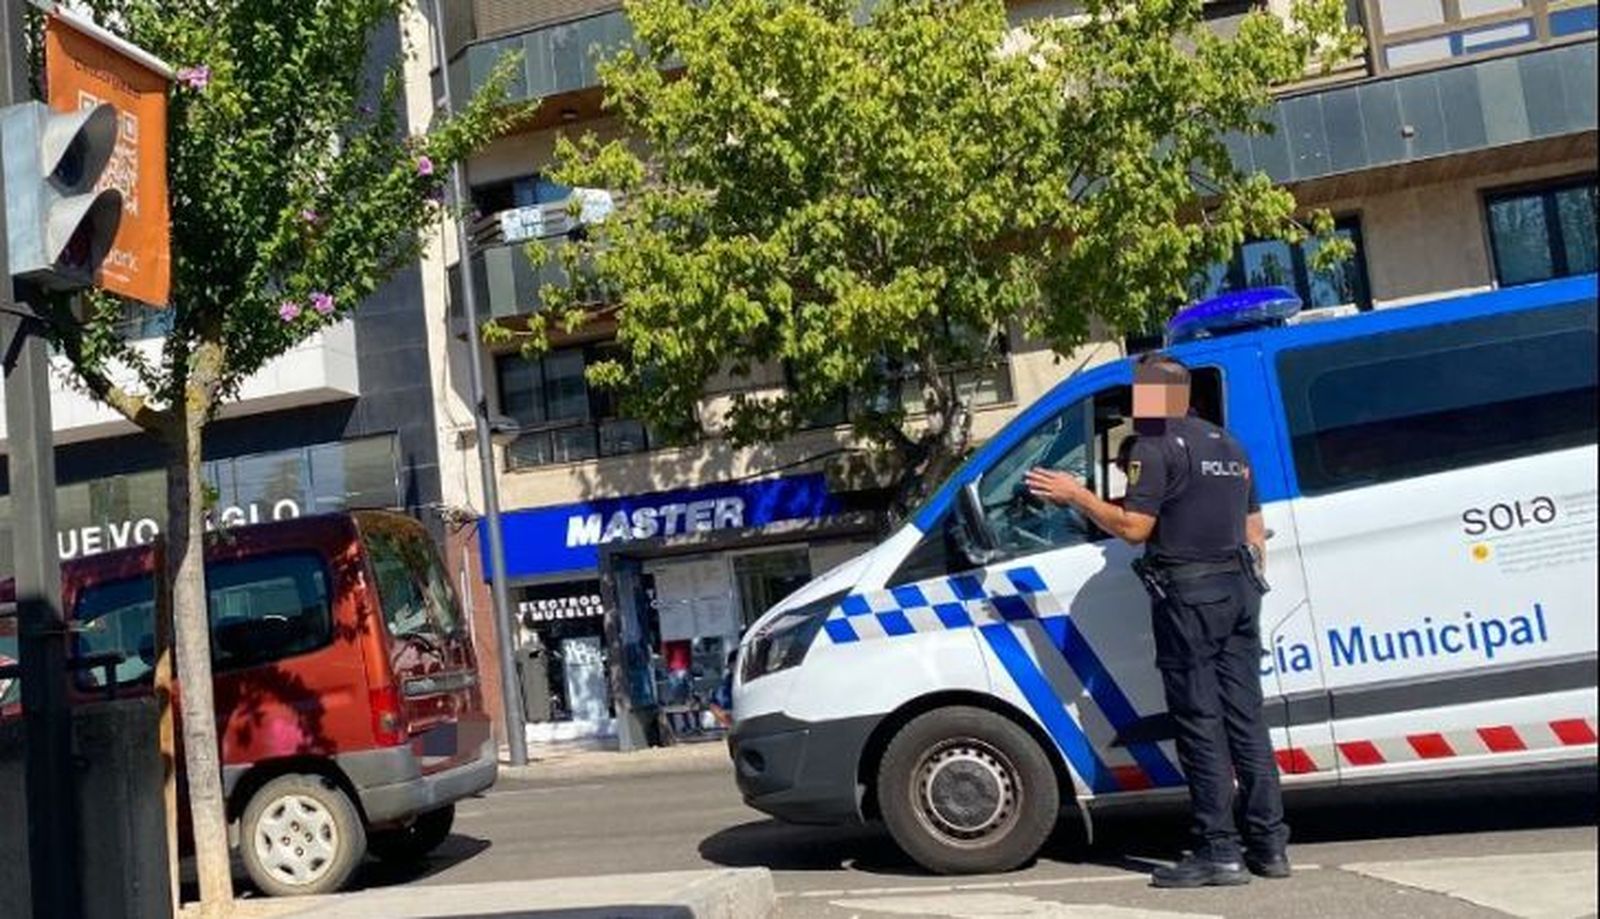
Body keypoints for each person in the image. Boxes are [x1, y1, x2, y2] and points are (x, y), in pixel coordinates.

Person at [1023, 351, 1288, 889]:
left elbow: (1135, 528)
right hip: (1240, 590)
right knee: (1246, 719)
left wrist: (1076, 494)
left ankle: (1219, 852)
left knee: (1200, 722)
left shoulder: (1155, 444)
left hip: (1190, 596)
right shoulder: (1228, 445)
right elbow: (1255, 528)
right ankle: (1270, 846)